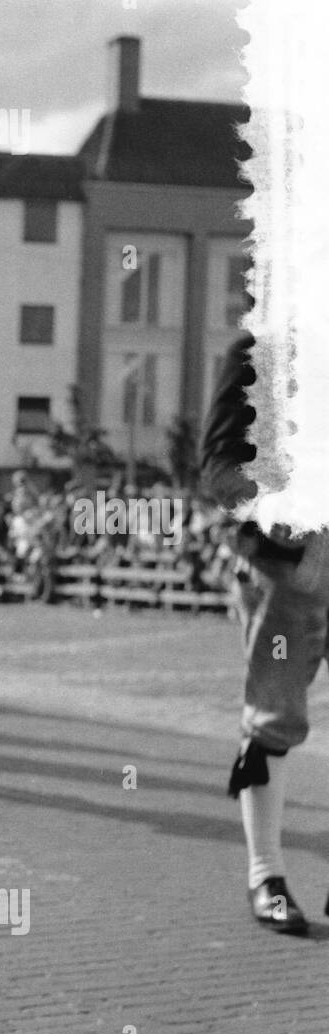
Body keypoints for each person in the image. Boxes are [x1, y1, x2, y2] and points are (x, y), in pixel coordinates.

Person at [202, 330, 317, 934]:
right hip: (284, 569)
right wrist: (276, 513)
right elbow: (218, 466)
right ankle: (265, 875)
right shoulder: (257, 350)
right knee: (273, 717)